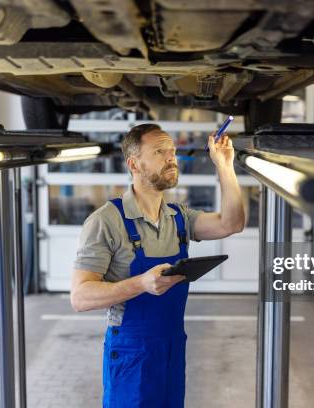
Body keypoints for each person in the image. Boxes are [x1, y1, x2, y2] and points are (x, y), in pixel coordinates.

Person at [70, 123, 245, 408]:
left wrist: (225, 165)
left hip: (172, 345)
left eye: (173, 151)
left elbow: (232, 222)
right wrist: (141, 284)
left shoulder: (179, 218)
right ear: (134, 164)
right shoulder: (106, 221)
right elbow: (80, 297)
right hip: (131, 351)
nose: (171, 157)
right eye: (160, 151)